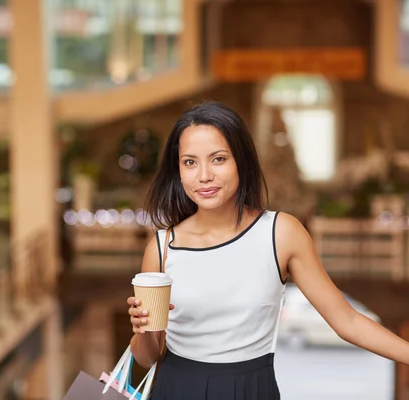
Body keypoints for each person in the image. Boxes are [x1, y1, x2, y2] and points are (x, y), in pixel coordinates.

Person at [126, 101, 409, 399]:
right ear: (179, 170)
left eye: (218, 159)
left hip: (251, 390)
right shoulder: (162, 248)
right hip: (177, 390)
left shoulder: (281, 233)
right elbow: (147, 357)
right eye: (190, 162)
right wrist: (142, 329)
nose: (204, 175)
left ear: (241, 161)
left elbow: (347, 321)